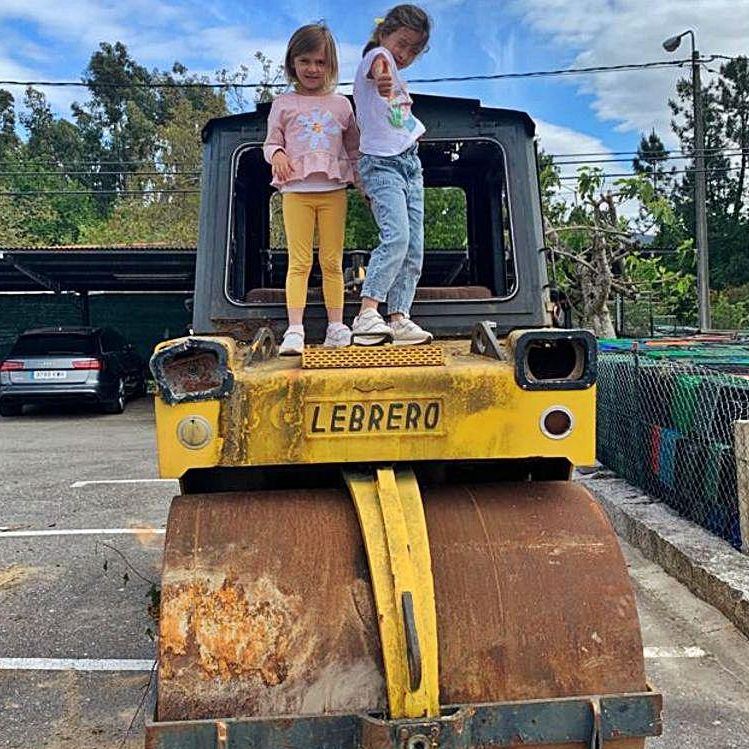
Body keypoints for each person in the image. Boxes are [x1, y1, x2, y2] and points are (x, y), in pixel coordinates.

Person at [264, 23, 360, 355]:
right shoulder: (283, 103)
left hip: (333, 190)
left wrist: (363, 183)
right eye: (305, 61)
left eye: (320, 62)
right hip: (296, 192)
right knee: (299, 262)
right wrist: (276, 154)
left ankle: (336, 326)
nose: (312, 69)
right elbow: (271, 142)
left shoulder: (342, 106)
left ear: (330, 65)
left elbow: (354, 150)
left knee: (332, 261)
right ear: (292, 62)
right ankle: (295, 330)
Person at [350, 5, 432, 346]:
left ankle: (399, 317)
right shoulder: (377, 57)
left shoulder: (400, 78)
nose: (405, 54)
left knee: (414, 247)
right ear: (385, 34)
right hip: (382, 164)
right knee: (396, 236)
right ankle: (367, 312)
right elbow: (379, 64)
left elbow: (398, 115)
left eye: (414, 50)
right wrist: (384, 70)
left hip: (410, 164)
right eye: (403, 43)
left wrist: (412, 132)